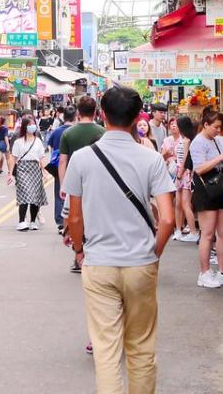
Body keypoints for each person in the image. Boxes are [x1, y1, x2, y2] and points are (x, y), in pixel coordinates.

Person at [65, 85, 176, 394]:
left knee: (106, 349)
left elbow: (74, 218)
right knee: (141, 347)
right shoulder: (151, 159)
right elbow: (168, 218)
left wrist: (79, 251)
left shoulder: (82, 159)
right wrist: (154, 252)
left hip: (99, 263)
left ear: (103, 115)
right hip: (141, 263)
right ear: (137, 117)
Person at [189, 109, 223, 289]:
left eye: (220, 127)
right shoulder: (198, 143)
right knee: (208, 233)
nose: (218, 131)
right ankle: (204, 272)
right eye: (215, 127)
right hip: (206, 190)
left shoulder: (217, 140)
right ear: (205, 125)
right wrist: (221, 157)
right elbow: (199, 169)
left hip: (220, 188)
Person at [59, 96, 105, 272]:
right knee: (94, 216)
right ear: (95, 113)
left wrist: (64, 185)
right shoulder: (102, 132)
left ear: (78, 112)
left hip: (75, 181)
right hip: (97, 181)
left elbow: (62, 161)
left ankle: (78, 256)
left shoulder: (68, 133)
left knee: (74, 217)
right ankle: (94, 254)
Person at [7, 117, 48, 231]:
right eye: (30, 124)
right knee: (24, 194)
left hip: (35, 168)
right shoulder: (18, 142)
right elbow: (13, 158)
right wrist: (10, 174)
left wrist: (45, 172)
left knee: (35, 195)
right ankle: (21, 221)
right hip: (22, 168)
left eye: (33, 124)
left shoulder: (38, 141)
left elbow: (42, 158)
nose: (32, 126)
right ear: (25, 126)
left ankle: (33, 221)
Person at [46, 106, 76, 232]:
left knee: (60, 193)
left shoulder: (57, 131)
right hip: (74, 166)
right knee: (74, 194)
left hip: (59, 166)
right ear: (75, 117)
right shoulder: (75, 131)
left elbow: (52, 149)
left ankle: (60, 222)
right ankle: (72, 219)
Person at [173, 117, 200, 244]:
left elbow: (185, 159)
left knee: (185, 204)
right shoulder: (183, 139)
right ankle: (178, 230)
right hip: (180, 172)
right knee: (178, 203)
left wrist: (179, 175)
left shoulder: (186, 141)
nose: (174, 126)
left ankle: (193, 232)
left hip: (184, 173)